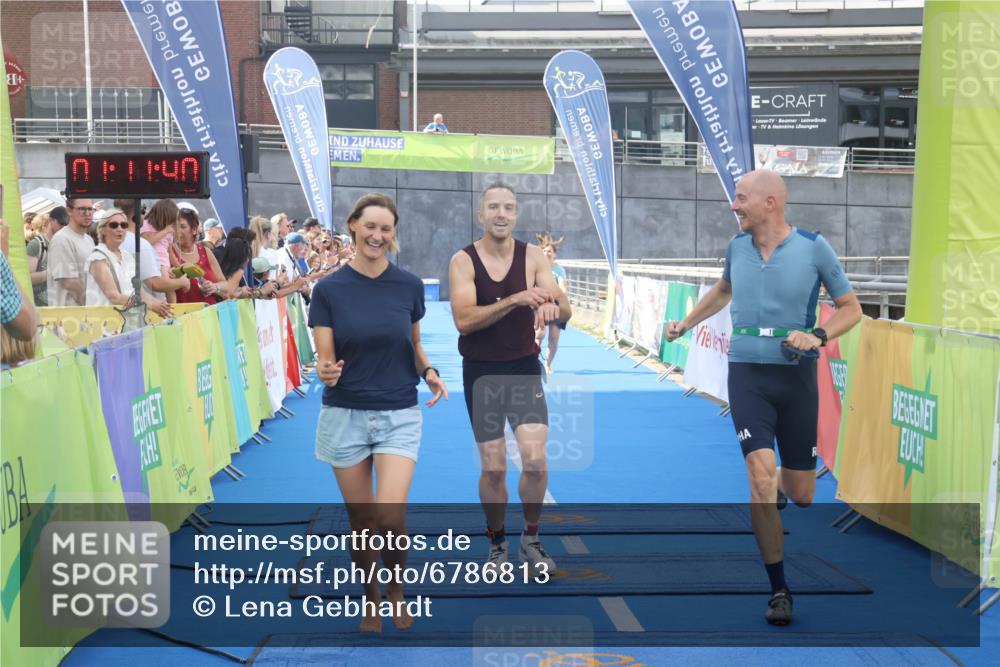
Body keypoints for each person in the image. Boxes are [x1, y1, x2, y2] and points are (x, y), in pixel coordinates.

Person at [664, 170, 862, 626]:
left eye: (740, 198)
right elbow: (724, 290)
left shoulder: (814, 248)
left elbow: (852, 309)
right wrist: (687, 322)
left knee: (803, 493)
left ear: (770, 202)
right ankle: (779, 590)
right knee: (758, 476)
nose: (734, 205)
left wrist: (817, 335)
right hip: (747, 375)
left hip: (796, 380)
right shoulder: (737, 248)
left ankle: (778, 492)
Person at [309, 192, 448, 633]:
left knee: (390, 516)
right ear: (353, 226)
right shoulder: (328, 290)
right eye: (370, 226)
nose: (377, 235)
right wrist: (325, 371)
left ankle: (396, 590)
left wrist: (428, 371)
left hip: (398, 412)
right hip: (345, 414)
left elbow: (413, 342)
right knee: (363, 521)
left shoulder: (407, 285)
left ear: (393, 234)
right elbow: (324, 357)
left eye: (386, 229)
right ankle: (371, 597)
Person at [448, 182, 571, 574]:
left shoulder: (533, 256)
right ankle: (497, 541)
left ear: (516, 214)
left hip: (523, 369)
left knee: (534, 463)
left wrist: (553, 306)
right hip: (481, 372)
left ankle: (530, 540)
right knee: (495, 469)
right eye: (493, 207)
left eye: (509, 207)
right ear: (479, 215)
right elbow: (465, 321)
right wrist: (515, 300)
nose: (501, 213)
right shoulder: (463, 261)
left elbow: (560, 303)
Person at [168, 208, 229, 304]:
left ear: (194, 230)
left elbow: (225, 285)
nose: (177, 231)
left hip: (209, 313)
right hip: (183, 315)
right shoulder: (169, 252)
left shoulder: (205, 252)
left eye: (182, 227)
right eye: (175, 227)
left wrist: (214, 287)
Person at [47, 198, 96, 306]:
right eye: (82, 209)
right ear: (69, 211)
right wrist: (90, 304)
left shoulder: (89, 240)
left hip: (85, 315)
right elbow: (69, 282)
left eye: (90, 209)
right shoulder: (62, 239)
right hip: (67, 316)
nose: (87, 213)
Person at [84, 209, 137, 307]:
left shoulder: (127, 256)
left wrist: (156, 303)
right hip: (104, 319)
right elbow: (114, 296)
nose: (120, 229)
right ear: (102, 230)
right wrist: (145, 303)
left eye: (124, 225)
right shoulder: (98, 257)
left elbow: (137, 290)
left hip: (127, 317)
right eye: (114, 225)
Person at [534, 232, 568, 374]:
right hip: (540, 304)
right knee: (539, 334)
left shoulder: (559, 270)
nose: (547, 253)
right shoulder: (536, 268)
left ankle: (548, 365)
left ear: (554, 255)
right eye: (544, 251)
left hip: (556, 305)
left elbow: (563, 289)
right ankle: (534, 361)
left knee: (554, 338)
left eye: (550, 251)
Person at [26, 212, 63, 306]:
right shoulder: (36, 244)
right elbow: (28, 277)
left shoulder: (60, 243)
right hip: (41, 303)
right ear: (46, 226)